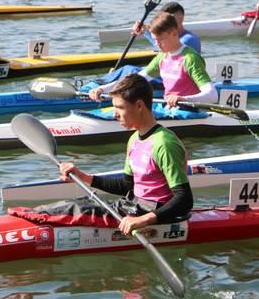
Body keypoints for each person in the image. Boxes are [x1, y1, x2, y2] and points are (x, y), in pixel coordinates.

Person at [60, 74, 193, 235]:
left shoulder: (164, 143)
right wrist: (84, 177)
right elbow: (128, 187)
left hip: (156, 215)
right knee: (75, 205)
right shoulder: (134, 139)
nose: (114, 114)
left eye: (120, 108)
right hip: (133, 206)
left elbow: (185, 200)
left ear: (139, 106)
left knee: (70, 211)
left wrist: (142, 220)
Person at [90, 11, 216, 108]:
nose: (157, 44)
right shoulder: (162, 56)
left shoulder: (190, 59)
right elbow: (135, 80)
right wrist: (103, 89)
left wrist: (184, 99)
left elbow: (212, 95)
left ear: (174, 33)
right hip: (170, 108)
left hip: (190, 111)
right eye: (155, 40)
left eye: (160, 39)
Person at [132, 2, 201, 53]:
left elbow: (164, 46)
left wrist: (147, 31)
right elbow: (161, 43)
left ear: (181, 18)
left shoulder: (188, 40)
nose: (163, 22)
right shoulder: (168, 39)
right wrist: (145, 30)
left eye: (166, 19)